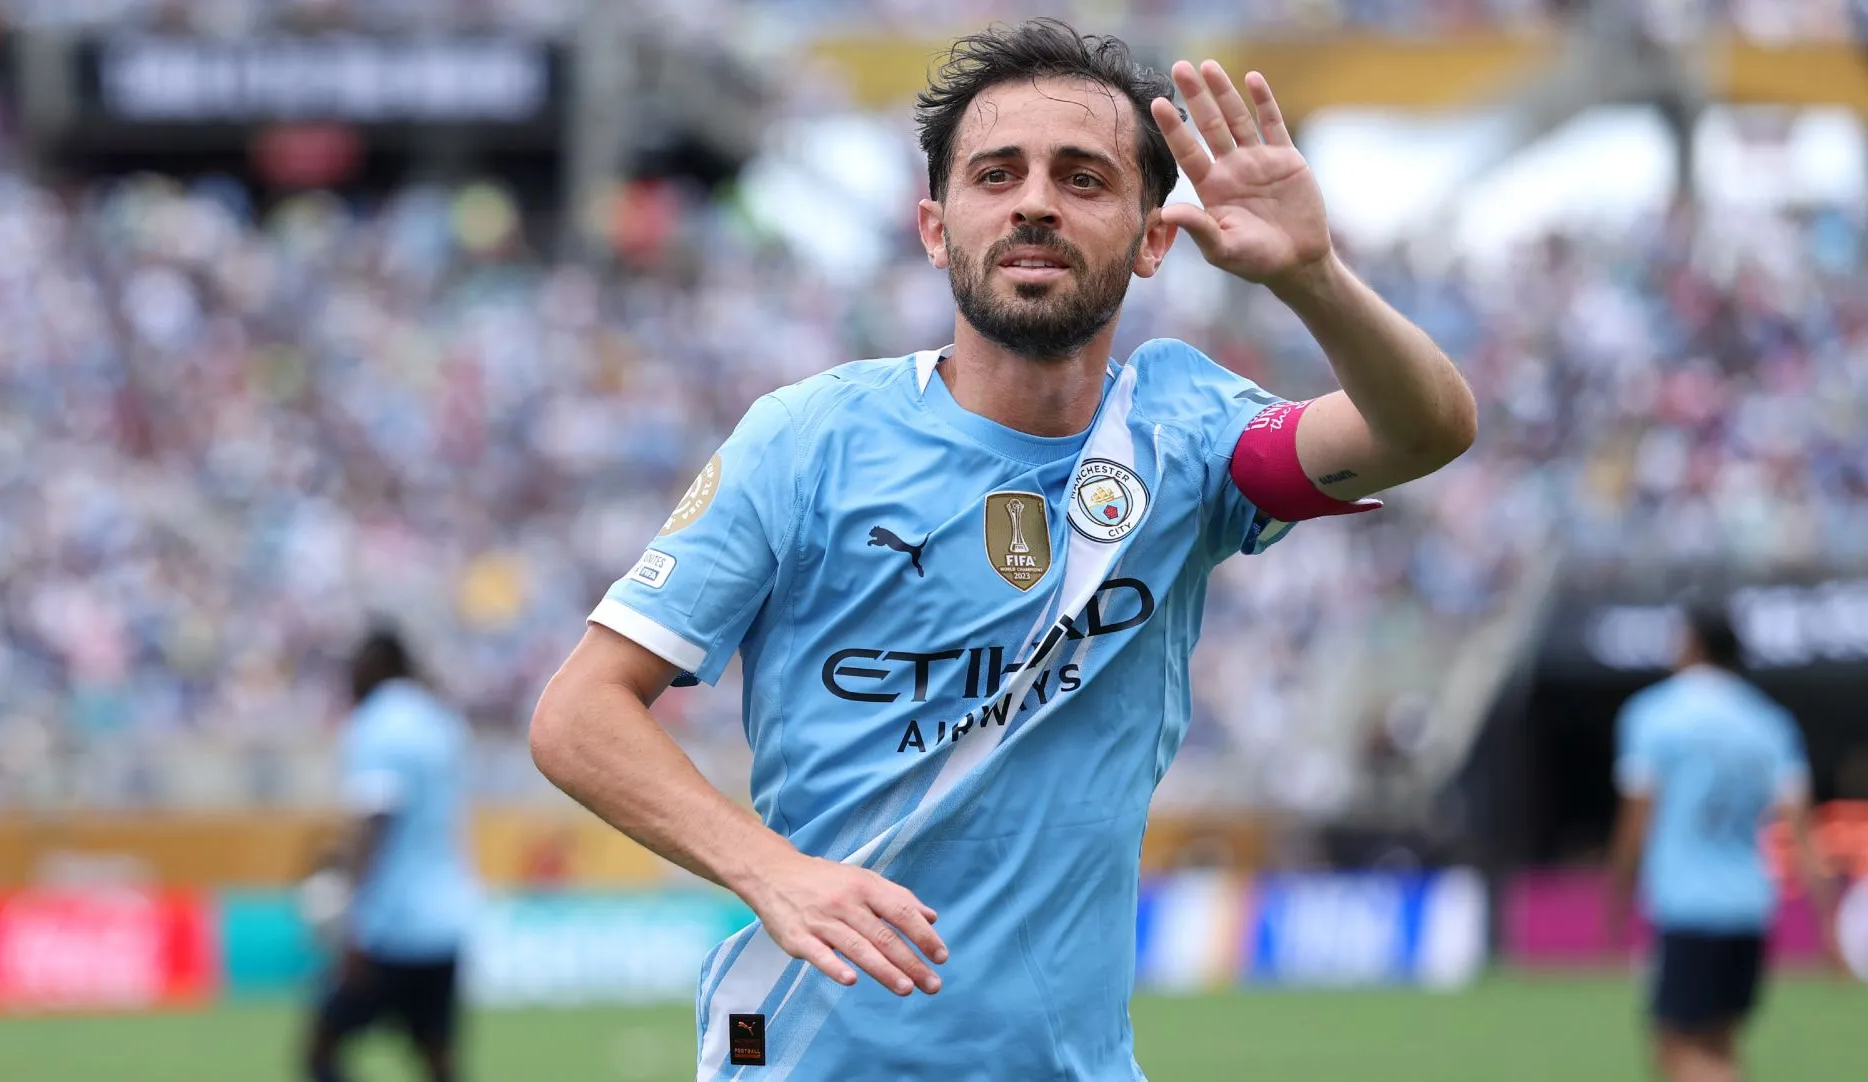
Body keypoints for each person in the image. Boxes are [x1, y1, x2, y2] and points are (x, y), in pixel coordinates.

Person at [530, 19, 1477, 1080]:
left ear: (1152, 238)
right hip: (810, 1057)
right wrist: (773, 872)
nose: (1035, 201)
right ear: (937, 230)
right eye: (997, 174)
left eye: (1083, 178)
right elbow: (579, 713)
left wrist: (1315, 277)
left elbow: (1424, 432)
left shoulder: (1190, 434)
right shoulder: (807, 441)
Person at [1608, 602, 1841, 1082]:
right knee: (1720, 1045)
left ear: (1692, 644)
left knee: (1676, 1050)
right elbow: (1802, 829)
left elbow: (1636, 820)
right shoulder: (1768, 722)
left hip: (1687, 905)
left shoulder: (1655, 714)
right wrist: (1828, 919)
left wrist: (1617, 893)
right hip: (1749, 906)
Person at [307, 627, 478, 1082]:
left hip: (390, 927)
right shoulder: (441, 722)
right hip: (446, 920)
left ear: (375, 666)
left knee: (321, 1051)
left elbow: (373, 822)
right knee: (438, 1060)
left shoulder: (377, 725)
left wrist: (351, 917)